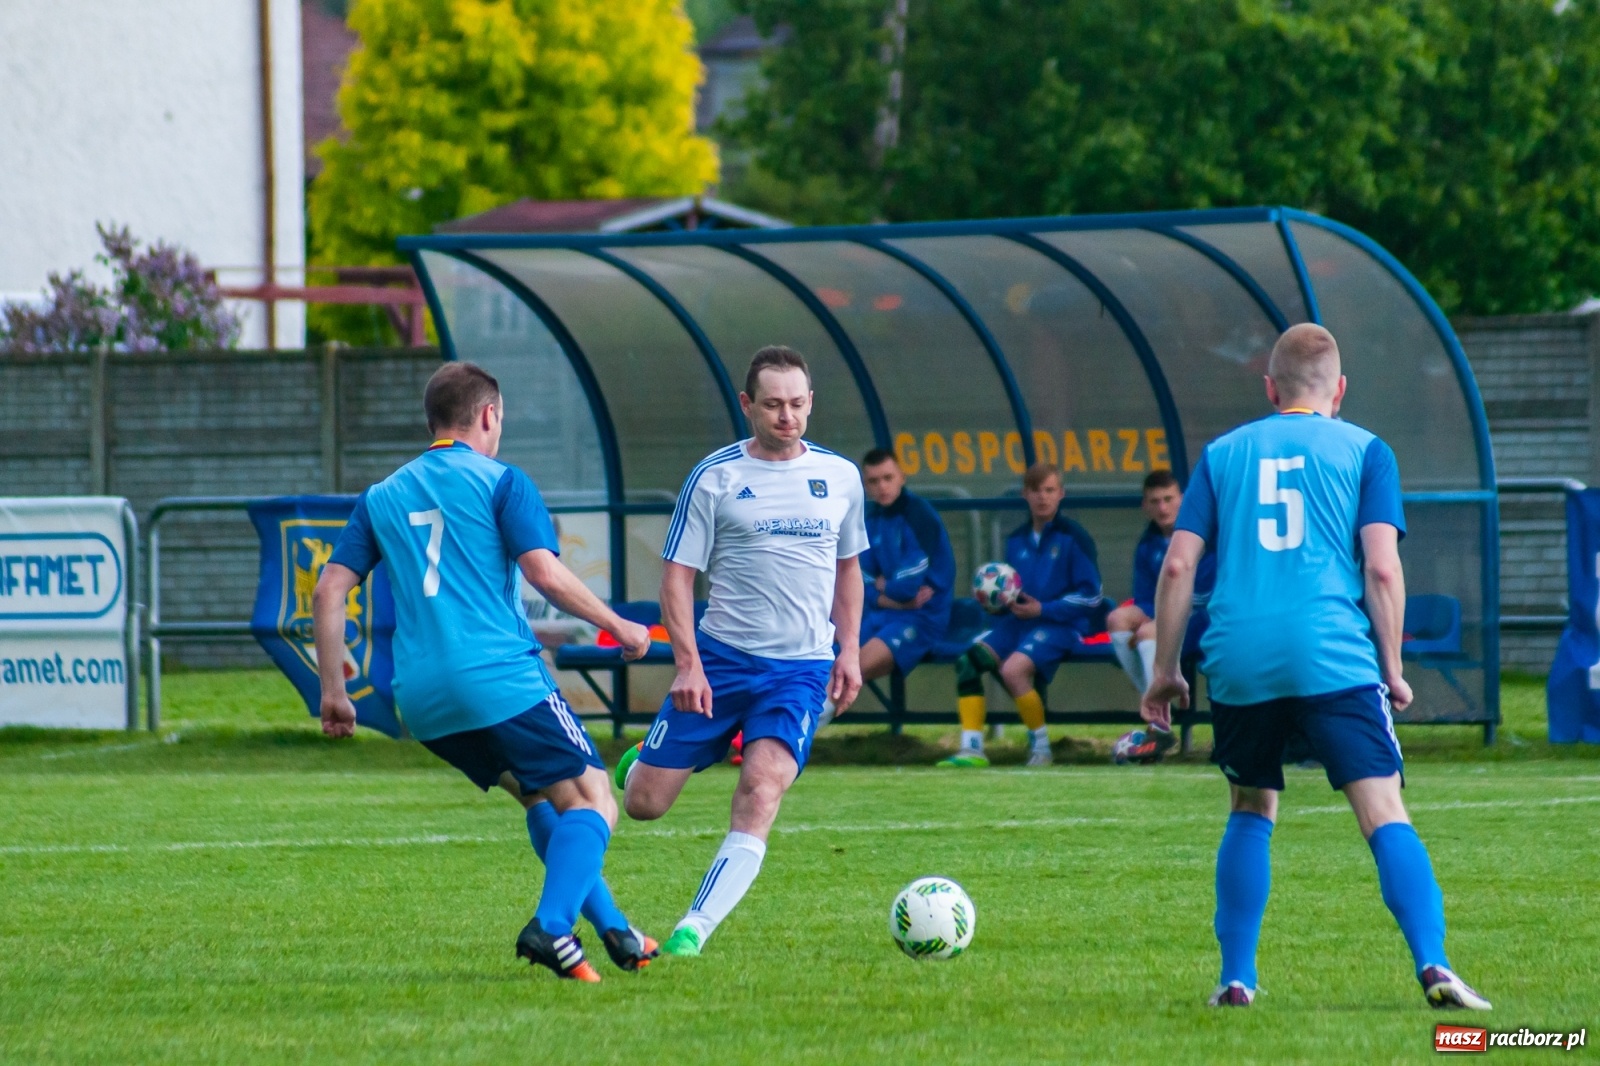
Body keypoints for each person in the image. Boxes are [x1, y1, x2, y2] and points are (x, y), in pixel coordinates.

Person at [1141, 323, 1491, 1010]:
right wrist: (1391, 667)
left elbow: (1180, 563)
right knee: (1383, 809)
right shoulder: (1366, 450)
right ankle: (1434, 964)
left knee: (1250, 805)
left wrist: (1165, 670)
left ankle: (1237, 977)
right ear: (1339, 390)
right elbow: (1383, 568)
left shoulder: (1222, 453)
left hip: (1241, 657)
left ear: (1270, 389)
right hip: (1332, 651)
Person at [312, 361, 657, 984]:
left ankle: (615, 932)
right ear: (489, 415)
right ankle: (552, 929)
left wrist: (335, 692)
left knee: (542, 797)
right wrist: (622, 626)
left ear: (431, 421)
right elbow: (544, 574)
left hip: (421, 700)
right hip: (496, 676)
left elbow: (329, 589)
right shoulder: (503, 480)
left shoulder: (382, 494)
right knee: (593, 797)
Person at [612, 345, 866, 958]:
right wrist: (688, 664)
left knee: (761, 788)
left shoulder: (841, 477)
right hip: (722, 661)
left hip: (800, 671)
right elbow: (677, 577)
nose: (787, 416)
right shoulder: (715, 477)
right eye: (774, 404)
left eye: (798, 404)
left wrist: (850, 649)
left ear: (811, 403)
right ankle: (643, 760)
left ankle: (693, 928)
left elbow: (849, 569)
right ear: (747, 405)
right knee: (644, 805)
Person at [939, 463, 1104, 768]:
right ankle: (972, 748)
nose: (1043, 497)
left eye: (1050, 490)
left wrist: (1045, 608)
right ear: (1025, 495)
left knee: (1013, 671)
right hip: (1018, 623)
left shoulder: (1074, 538)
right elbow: (1014, 590)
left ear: (1061, 494)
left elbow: (1091, 596)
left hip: (1060, 626)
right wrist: (997, 604)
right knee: (968, 662)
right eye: (1036, 491)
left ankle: (1041, 749)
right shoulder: (1015, 540)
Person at [1105, 468, 1215, 760]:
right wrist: (1150, 616)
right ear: (1145, 506)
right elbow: (1143, 597)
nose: (1162, 507)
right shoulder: (1148, 542)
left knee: (1146, 633)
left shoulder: (1199, 536)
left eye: (1168, 499)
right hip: (1170, 615)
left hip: (1203, 619)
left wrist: (1158, 621)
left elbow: (1205, 596)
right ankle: (1154, 704)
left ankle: (1159, 724)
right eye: (1155, 501)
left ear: (1182, 500)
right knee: (1117, 619)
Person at [842, 448, 956, 723]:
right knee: (826, 665)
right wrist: (887, 596)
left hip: (922, 618)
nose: (882, 486)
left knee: (851, 669)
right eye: (873, 481)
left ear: (902, 477)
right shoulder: (870, 519)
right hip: (883, 613)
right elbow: (860, 580)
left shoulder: (919, 515)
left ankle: (792, 742)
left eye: (887, 478)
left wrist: (883, 587)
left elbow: (909, 586)